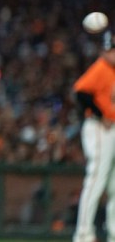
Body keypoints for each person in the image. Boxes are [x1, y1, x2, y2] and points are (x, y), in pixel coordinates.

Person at [72, 46, 115, 242]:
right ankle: (83, 234)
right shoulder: (101, 67)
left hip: (111, 128)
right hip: (99, 128)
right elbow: (81, 92)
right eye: (112, 51)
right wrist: (100, 114)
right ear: (105, 52)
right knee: (96, 178)